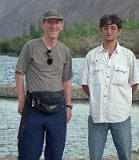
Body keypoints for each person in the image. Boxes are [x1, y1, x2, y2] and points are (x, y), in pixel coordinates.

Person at [81, 14, 139, 160]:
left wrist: (121, 99)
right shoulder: (91, 56)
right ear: (101, 30)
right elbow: (85, 85)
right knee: (94, 157)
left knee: (125, 156)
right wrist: (97, 97)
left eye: (113, 28)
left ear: (119, 31)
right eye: (105, 28)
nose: (109, 31)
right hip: (97, 116)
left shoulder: (128, 56)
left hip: (120, 116)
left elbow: (134, 84)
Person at [15, 9, 73, 160]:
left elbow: (67, 80)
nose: (53, 26)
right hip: (33, 110)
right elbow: (19, 73)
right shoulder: (30, 46)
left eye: (57, 22)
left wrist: (68, 106)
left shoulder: (65, 51)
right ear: (43, 24)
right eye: (49, 22)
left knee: (55, 154)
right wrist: (21, 101)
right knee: (28, 154)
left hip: (58, 111)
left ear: (62, 26)